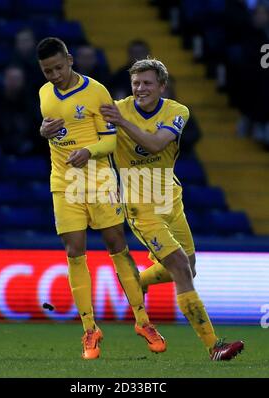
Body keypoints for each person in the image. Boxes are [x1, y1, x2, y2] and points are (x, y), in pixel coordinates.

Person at [101, 58, 245, 361]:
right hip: (141, 206)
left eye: (147, 83)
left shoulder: (177, 111)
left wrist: (123, 123)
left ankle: (137, 282)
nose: (140, 89)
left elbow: (155, 144)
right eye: (136, 83)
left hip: (170, 198)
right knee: (180, 267)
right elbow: (81, 126)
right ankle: (214, 346)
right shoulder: (117, 107)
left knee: (189, 269)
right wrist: (49, 128)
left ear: (162, 86)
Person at [37, 37, 165, 360]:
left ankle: (143, 321)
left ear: (69, 60)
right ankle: (90, 330)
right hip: (64, 182)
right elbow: (50, 131)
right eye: (47, 71)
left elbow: (109, 142)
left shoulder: (96, 93)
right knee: (74, 251)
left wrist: (87, 151)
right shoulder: (44, 95)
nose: (53, 75)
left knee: (116, 246)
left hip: (99, 180)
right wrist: (42, 132)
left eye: (57, 67)